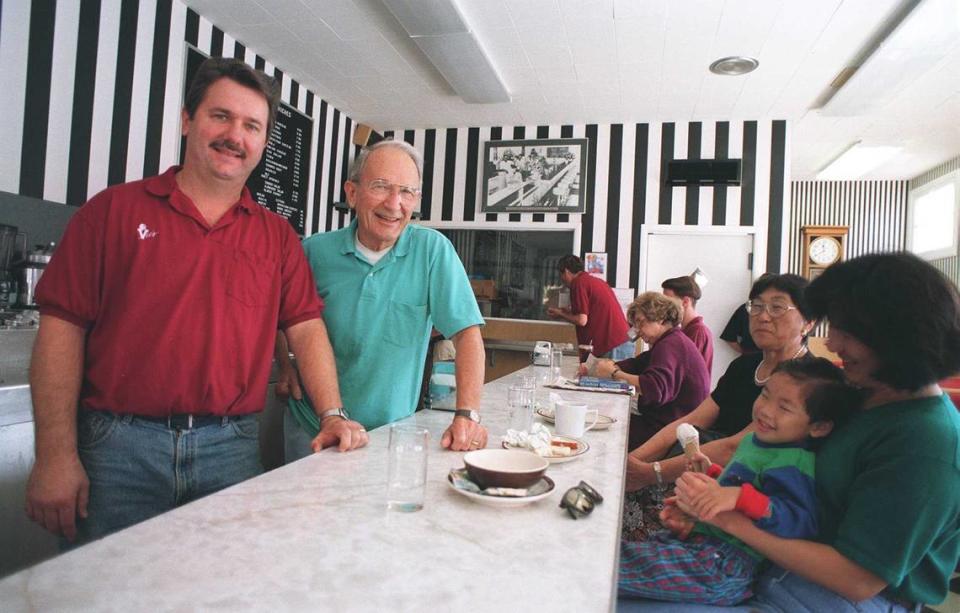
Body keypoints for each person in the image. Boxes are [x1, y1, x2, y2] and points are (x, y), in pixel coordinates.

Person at [24, 58, 367, 547]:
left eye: (252, 125)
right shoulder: (112, 212)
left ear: (265, 142)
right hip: (117, 451)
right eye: (220, 116)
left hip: (231, 450)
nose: (235, 135)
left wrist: (332, 414)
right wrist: (55, 455)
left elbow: (306, 328)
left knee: (223, 590)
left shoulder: (277, 237)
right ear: (188, 120)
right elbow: (61, 329)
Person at [667, 253, 960, 612]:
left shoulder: (925, 441)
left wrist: (724, 518)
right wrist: (712, 493)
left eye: (847, 332)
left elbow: (858, 579)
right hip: (769, 566)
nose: (833, 343)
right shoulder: (857, 393)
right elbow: (784, 475)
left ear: (898, 336)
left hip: (836, 598)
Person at [278, 139, 487, 459]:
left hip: (390, 434)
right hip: (312, 427)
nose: (394, 204)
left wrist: (467, 414)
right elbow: (279, 317)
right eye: (380, 186)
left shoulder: (433, 251)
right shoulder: (314, 251)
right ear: (352, 193)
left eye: (407, 192)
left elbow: (467, 334)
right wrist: (284, 364)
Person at [619, 358, 859, 605]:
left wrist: (736, 497)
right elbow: (741, 488)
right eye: (765, 395)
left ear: (818, 427)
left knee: (611, 568)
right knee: (615, 558)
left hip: (723, 565)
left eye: (784, 408)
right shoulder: (755, 442)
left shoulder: (793, 463)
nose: (766, 410)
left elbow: (797, 520)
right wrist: (711, 477)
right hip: (699, 545)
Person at [621, 274, 814, 541]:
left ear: (809, 322)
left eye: (777, 307)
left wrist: (649, 473)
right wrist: (634, 461)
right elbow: (691, 420)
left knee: (628, 510)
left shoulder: (806, 379)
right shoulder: (744, 366)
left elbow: (738, 446)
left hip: (747, 492)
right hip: (701, 465)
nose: (763, 316)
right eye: (756, 306)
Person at [594, 292, 710, 450]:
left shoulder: (670, 345)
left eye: (641, 323)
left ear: (661, 318)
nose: (638, 330)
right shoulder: (669, 341)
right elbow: (637, 364)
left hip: (670, 431)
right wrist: (598, 367)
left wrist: (614, 373)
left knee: (604, 430)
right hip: (669, 422)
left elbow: (654, 388)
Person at [547, 254, 634, 361]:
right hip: (622, 341)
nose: (562, 280)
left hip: (612, 345)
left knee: (609, 377)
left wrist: (560, 314)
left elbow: (582, 320)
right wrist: (568, 312)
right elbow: (591, 311)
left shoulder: (578, 283)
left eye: (561, 275)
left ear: (566, 271)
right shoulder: (595, 281)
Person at [661, 275, 714, 374]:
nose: (664, 307)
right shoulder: (683, 330)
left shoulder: (698, 332)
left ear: (685, 301)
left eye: (668, 302)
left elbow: (680, 368)